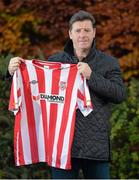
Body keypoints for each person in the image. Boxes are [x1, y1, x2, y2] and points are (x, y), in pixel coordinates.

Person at [7, 10, 126, 179]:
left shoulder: (109, 63)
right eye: (78, 30)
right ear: (70, 34)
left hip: (95, 147)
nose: (82, 35)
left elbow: (120, 94)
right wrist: (13, 73)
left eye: (86, 30)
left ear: (94, 33)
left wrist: (92, 76)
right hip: (61, 147)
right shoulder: (55, 61)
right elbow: (33, 90)